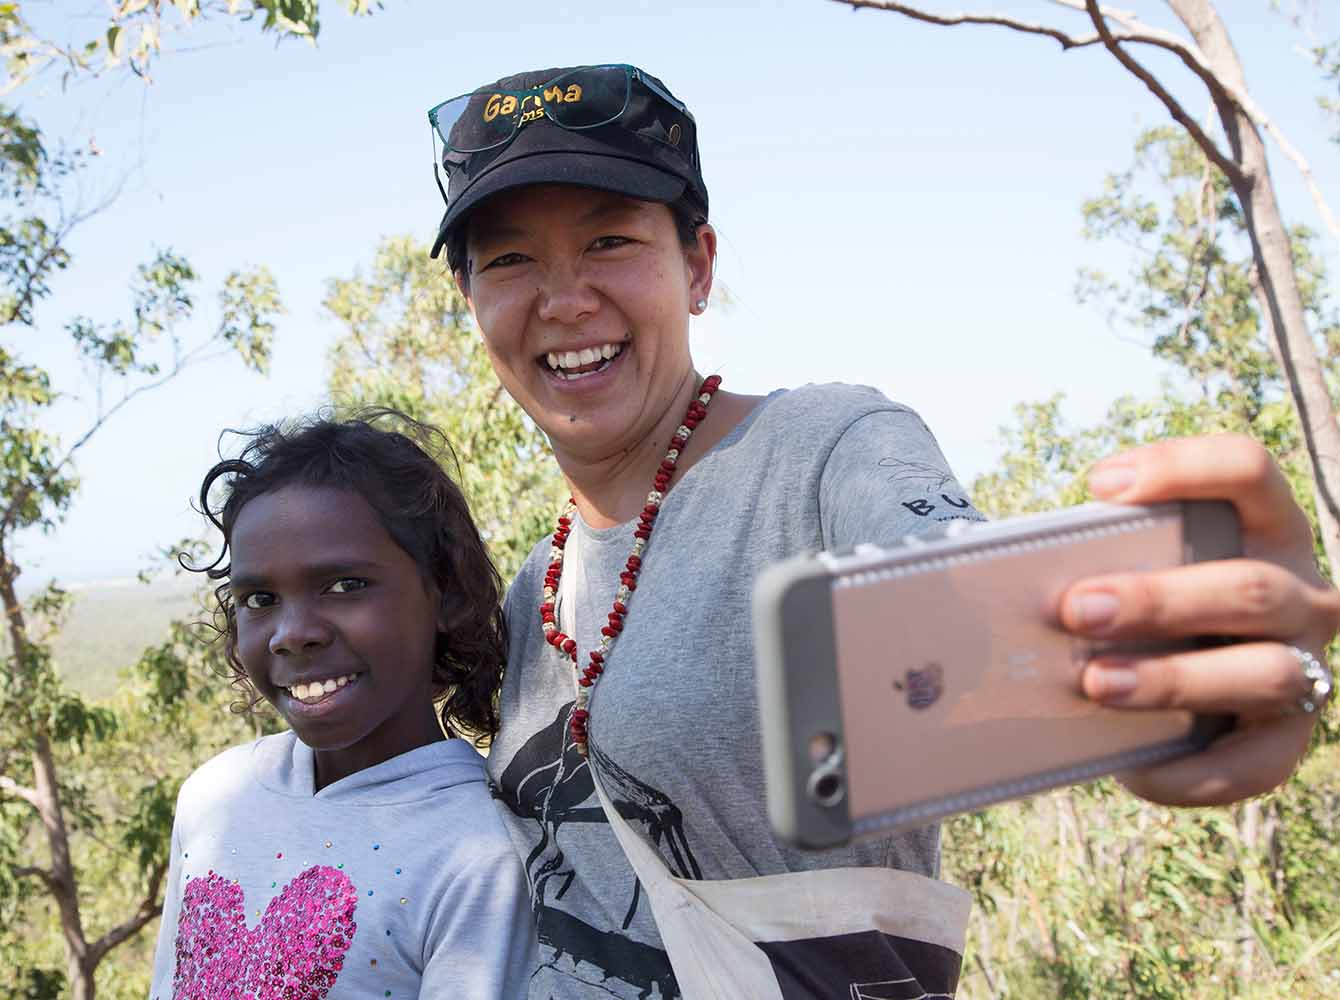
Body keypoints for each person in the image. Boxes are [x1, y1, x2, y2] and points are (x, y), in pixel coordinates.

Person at [423, 63, 1340, 998]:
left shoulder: (826, 448)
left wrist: (1148, 682)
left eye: (610, 241)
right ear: (470, 300)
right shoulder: (539, 578)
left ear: (697, 266)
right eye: (510, 260)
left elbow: (955, 597)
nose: (564, 298)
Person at [147, 411, 534, 1000]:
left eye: (345, 585)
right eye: (260, 598)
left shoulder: (481, 855)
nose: (291, 633)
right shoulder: (216, 796)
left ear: (447, 594)